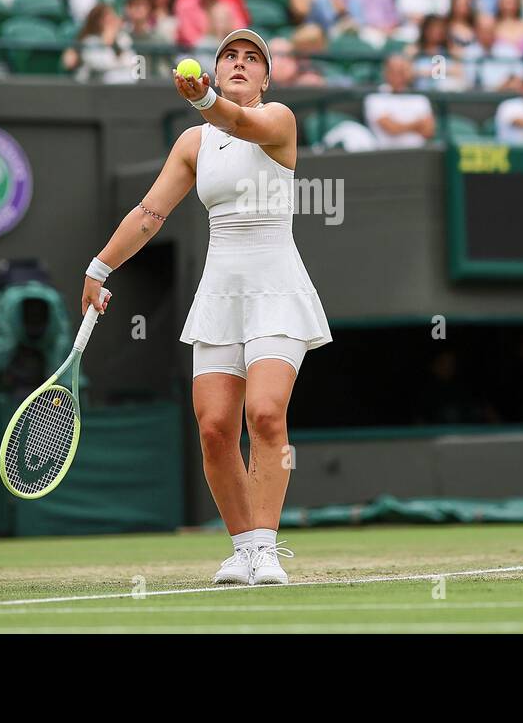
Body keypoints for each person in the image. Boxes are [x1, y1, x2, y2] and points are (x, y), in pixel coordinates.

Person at [81, 29, 330, 587]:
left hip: (276, 284)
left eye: (252, 59)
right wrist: (99, 269)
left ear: (266, 78)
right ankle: (242, 548)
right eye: (230, 57)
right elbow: (150, 212)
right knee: (215, 426)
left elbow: (241, 123)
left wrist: (201, 100)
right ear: (216, 69)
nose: (241, 65)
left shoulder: (279, 120)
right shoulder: (193, 144)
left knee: (265, 412)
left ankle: (266, 548)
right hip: (220, 290)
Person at [365, 53, 435, 148]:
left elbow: (428, 131)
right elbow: (391, 128)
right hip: (386, 154)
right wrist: (417, 124)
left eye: (403, 71)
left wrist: (401, 126)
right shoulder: (375, 97)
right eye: (395, 71)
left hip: (419, 154)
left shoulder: (420, 98)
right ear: (386, 72)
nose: (400, 75)